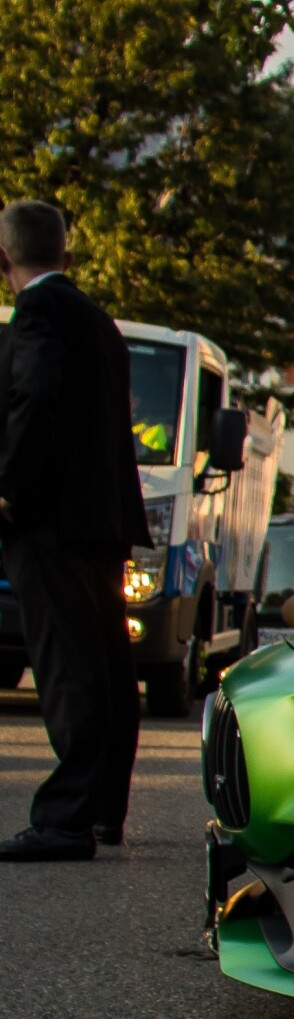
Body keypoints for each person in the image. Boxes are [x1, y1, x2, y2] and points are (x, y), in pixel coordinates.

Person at [0, 201, 147, 860]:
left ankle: (63, 820)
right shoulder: (97, 320)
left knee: (66, 666)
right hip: (102, 518)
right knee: (109, 667)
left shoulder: (37, 316)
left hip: (50, 519)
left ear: (5, 258)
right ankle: (104, 809)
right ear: (66, 251)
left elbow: (33, 396)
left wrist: (8, 486)